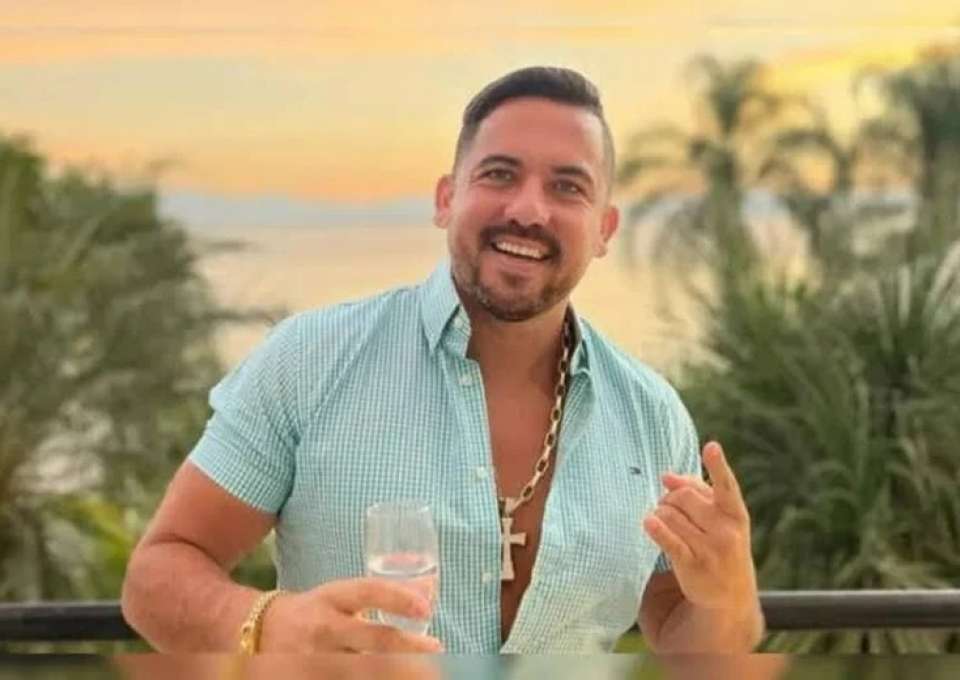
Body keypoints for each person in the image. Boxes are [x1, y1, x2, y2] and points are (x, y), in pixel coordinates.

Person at [121, 66, 764, 654]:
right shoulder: (310, 362)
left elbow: (684, 636)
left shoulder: (652, 416)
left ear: (604, 230)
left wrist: (727, 597)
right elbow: (158, 573)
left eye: (567, 187)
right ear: (445, 199)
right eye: (499, 174)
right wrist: (268, 626)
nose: (528, 209)